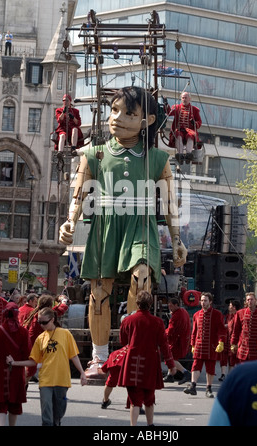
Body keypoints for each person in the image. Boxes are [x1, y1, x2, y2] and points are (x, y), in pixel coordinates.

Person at [59, 86, 187, 373]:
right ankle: (100, 356)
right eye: (114, 110)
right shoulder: (94, 154)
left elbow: (169, 202)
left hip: (140, 225)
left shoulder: (157, 159)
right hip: (106, 226)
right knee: (99, 292)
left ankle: (132, 350)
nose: (117, 117)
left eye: (129, 112)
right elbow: (78, 195)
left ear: (148, 121)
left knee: (142, 279)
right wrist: (70, 220)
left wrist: (176, 239)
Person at [7, 307, 87, 426]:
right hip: (45, 380)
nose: (42, 325)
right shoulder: (40, 338)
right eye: (40, 322)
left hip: (61, 379)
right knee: (46, 413)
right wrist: (14, 363)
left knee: (58, 413)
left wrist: (82, 372)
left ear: (53, 320)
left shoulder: (65, 334)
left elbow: (73, 356)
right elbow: (33, 361)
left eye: (44, 322)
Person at [209, 303, 257, 426]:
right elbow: (236, 330)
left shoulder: (239, 377)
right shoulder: (241, 314)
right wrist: (234, 343)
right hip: (245, 349)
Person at [118, 290, 176, 426]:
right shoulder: (158, 322)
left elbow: (123, 341)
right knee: (149, 398)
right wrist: (170, 364)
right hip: (150, 361)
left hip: (132, 360)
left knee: (134, 400)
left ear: (137, 303)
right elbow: (164, 345)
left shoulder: (127, 320)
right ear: (150, 304)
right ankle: (150, 426)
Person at [0, 303, 31, 426]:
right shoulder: (24, 332)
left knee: (1, 406)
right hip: (16, 372)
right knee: (14, 406)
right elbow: (27, 354)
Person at [184, 292, 226, 398]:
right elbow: (194, 331)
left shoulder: (217, 314)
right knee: (195, 366)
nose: (203, 303)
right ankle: (193, 386)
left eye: (205, 300)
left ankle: (209, 388)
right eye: (202, 300)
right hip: (199, 345)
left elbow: (221, 330)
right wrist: (192, 344)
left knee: (210, 368)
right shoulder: (196, 315)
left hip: (211, 345)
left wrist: (221, 342)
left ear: (210, 302)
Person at [164, 91, 202, 163]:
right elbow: (169, 112)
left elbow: (199, 122)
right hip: (179, 130)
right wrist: (166, 104)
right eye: (183, 98)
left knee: (191, 135)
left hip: (189, 130)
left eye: (186, 98)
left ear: (189, 99)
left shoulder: (194, 110)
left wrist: (194, 123)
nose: (184, 99)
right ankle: (180, 154)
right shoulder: (177, 107)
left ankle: (188, 154)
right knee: (178, 135)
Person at [163, 297, 191, 385]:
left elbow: (171, 329)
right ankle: (170, 375)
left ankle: (185, 372)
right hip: (183, 339)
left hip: (176, 340)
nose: (170, 308)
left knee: (170, 358)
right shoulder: (183, 312)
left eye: (171, 306)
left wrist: (163, 334)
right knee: (172, 357)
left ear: (176, 305)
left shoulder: (176, 315)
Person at [230, 292, 257, 362]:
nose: (250, 301)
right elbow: (236, 329)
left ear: (255, 300)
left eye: (251, 299)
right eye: (248, 300)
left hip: (256, 349)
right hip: (243, 347)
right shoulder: (240, 313)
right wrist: (233, 343)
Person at [54, 94, 84, 160]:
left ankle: (73, 148)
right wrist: (63, 112)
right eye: (64, 101)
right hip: (63, 129)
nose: (65, 102)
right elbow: (59, 120)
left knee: (75, 129)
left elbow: (78, 123)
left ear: (70, 101)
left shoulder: (75, 111)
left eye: (67, 101)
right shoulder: (58, 110)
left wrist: (73, 117)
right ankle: (60, 152)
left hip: (72, 129)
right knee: (62, 136)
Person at [218, 299, 241, 381]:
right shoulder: (226, 316)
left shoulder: (238, 315)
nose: (229, 307)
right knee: (223, 356)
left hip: (233, 338)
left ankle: (230, 375)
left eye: (230, 305)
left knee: (232, 358)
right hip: (225, 337)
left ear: (234, 307)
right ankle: (223, 374)